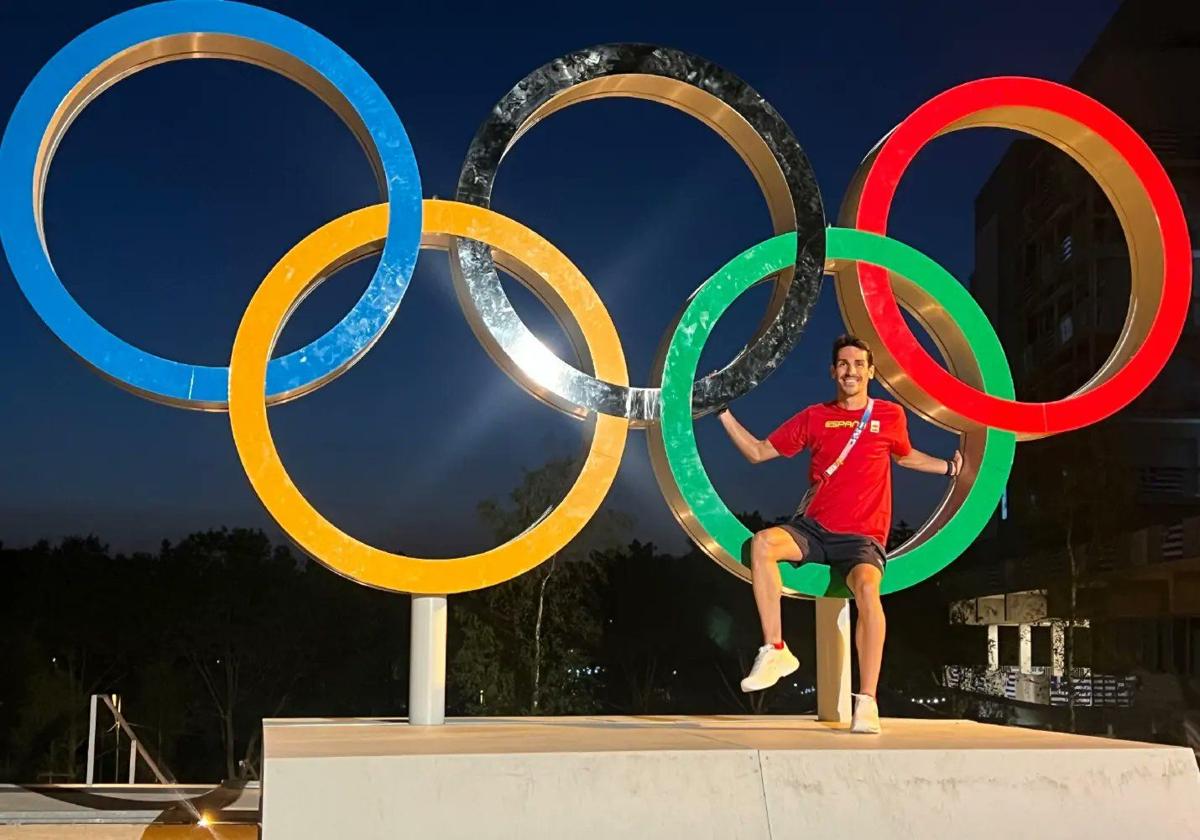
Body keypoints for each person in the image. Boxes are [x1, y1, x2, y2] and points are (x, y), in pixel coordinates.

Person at [715, 335, 961, 734]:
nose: (851, 371)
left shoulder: (890, 416)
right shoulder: (815, 417)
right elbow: (758, 452)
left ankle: (867, 701)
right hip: (814, 529)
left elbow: (906, 455)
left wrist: (947, 469)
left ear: (871, 371)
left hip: (863, 536)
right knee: (762, 544)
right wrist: (721, 412)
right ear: (833, 371)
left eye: (858, 364)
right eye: (843, 364)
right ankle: (775, 649)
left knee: (867, 590)